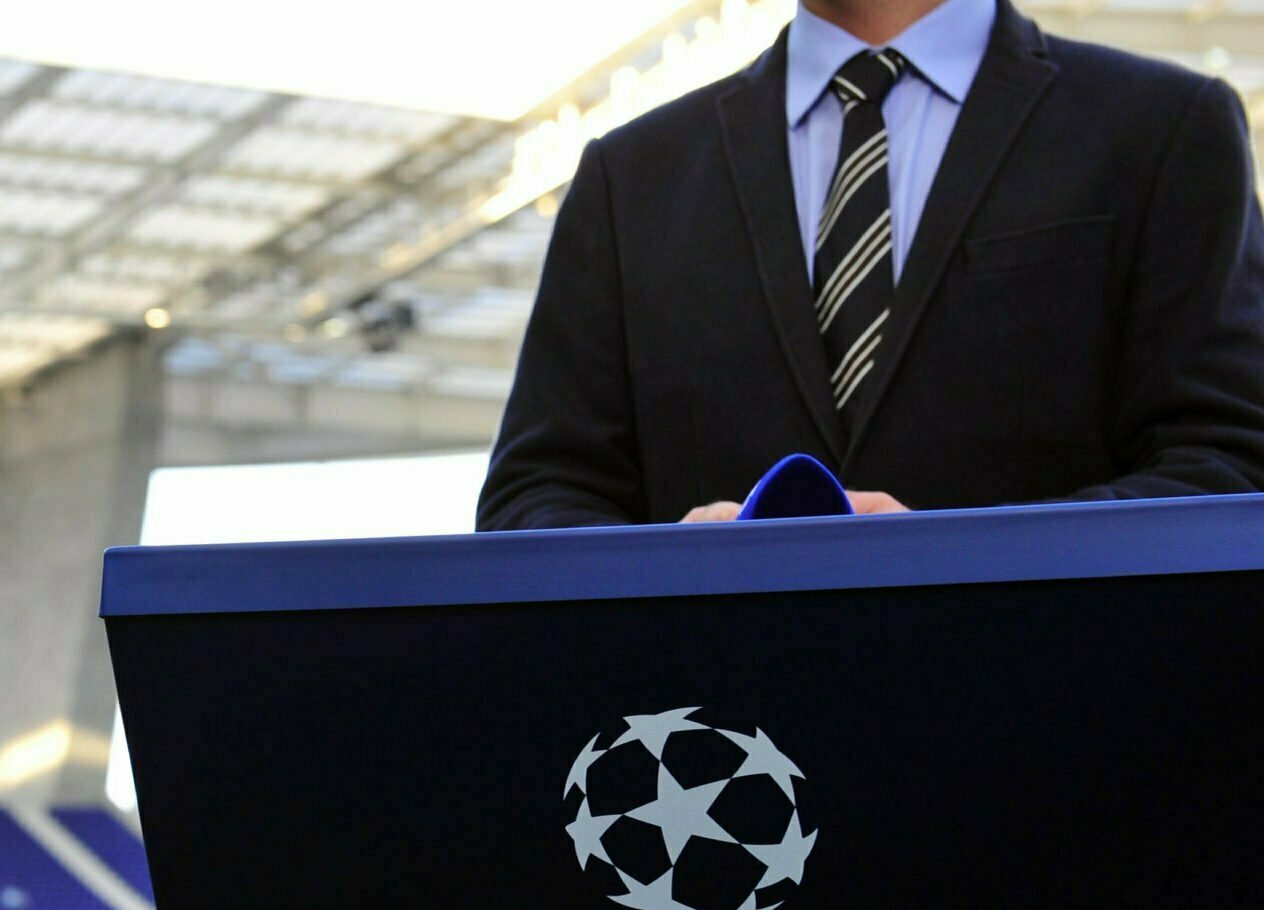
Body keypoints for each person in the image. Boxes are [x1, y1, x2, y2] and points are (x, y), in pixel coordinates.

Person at [478, 0, 1264, 530]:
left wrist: (955, 562)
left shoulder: (1162, 129)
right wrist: (665, 567)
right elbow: (535, 494)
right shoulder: (632, 176)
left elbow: (1231, 462)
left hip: (1053, 733)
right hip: (726, 745)